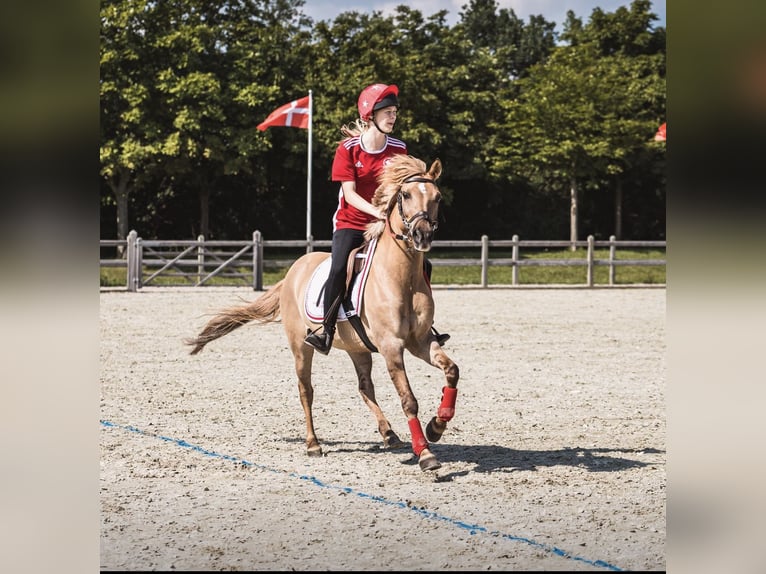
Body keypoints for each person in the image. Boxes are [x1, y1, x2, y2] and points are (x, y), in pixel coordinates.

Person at [304, 83, 450, 355]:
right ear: (370, 114)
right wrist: (377, 212)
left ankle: (424, 326)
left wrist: (396, 216)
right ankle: (325, 329)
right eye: (388, 112)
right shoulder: (347, 149)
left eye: (395, 112)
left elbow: (403, 191)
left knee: (423, 264)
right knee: (338, 268)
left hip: (386, 223)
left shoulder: (398, 148)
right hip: (351, 221)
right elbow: (348, 194)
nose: (393, 117)